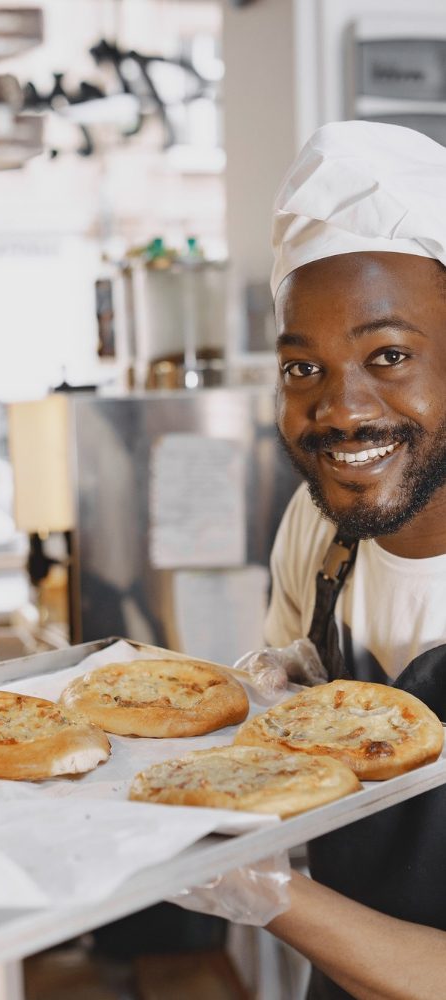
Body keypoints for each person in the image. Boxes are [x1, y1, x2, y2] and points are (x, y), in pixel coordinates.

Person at [228, 121, 446, 1000]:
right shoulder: (316, 535)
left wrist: (262, 891)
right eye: (301, 369)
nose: (340, 410)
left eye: (387, 355)